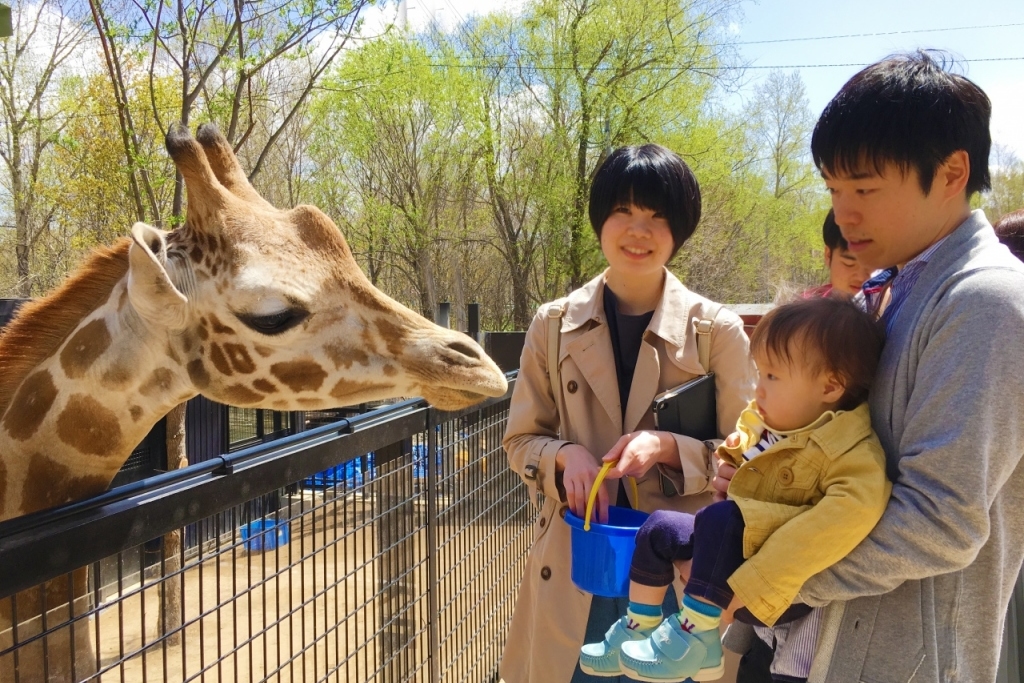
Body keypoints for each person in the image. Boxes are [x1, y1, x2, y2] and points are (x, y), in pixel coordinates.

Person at [719, 51, 1024, 682]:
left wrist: (769, 577)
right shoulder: (886, 289)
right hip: (808, 642)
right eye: (834, 188)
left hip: (897, 657)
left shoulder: (985, 301)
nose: (843, 213)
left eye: (864, 189)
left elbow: (941, 521)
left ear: (950, 172)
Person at [501, 144, 757, 683]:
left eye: (658, 217)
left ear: (679, 230)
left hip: (681, 587)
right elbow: (521, 440)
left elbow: (751, 460)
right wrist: (565, 455)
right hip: (577, 567)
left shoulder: (717, 332)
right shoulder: (551, 325)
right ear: (600, 220)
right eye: (624, 211)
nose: (639, 231)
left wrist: (669, 449)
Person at [580, 296, 889, 683]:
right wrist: (730, 462)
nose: (759, 389)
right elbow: (737, 460)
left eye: (773, 377)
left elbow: (832, 526)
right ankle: (640, 625)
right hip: (733, 549)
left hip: (772, 581)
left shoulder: (851, 451)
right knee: (659, 527)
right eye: (761, 374)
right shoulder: (774, 426)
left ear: (830, 385)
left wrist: (751, 583)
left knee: (723, 518)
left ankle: (697, 634)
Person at [802, 210, 874, 297]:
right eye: (849, 264)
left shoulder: (891, 307)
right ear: (828, 256)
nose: (861, 277)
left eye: (872, 266)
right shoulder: (804, 308)